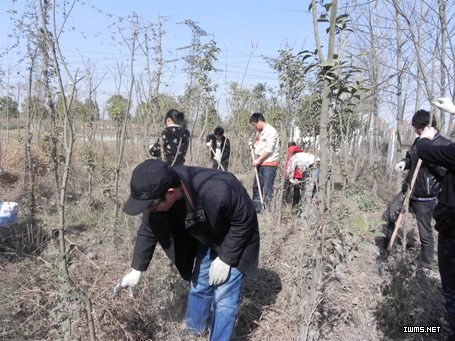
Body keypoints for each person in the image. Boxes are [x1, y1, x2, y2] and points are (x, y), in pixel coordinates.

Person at [113, 159, 259, 341]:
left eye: (152, 206)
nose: (150, 210)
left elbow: (244, 220)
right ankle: (193, 333)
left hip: (237, 235)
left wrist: (226, 258)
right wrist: (137, 270)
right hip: (207, 233)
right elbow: (148, 228)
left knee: (224, 298)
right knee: (199, 285)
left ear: (171, 193)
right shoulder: (158, 192)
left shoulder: (219, 189)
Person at [393, 109, 450, 276]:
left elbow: (444, 172)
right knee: (389, 215)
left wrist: (431, 158)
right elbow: (412, 157)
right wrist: (405, 162)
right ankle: (385, 247)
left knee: (425, 234)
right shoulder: (419, 141)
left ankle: (425, 266)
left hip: (426, 197)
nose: (414, 131)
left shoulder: (444, 144)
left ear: (424, 127)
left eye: (416, 127)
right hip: (409, 189)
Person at [416, 97, 455, 340]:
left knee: (451, 287)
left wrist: (424, 140)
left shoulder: (444, 146)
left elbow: (426, 151)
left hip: (450, 225)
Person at [249, 113, 280, 213]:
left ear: (259, 121)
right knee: (256, 187)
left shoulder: (271, 132)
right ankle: (256, 209)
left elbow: (268, 150)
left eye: (254, 125)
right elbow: (258, 146)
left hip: (269, 165)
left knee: (267, 189)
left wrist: (258, 160)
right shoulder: (259, 132)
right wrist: (252, 144)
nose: (254, 127)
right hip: (260, 164)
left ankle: (267, 211)